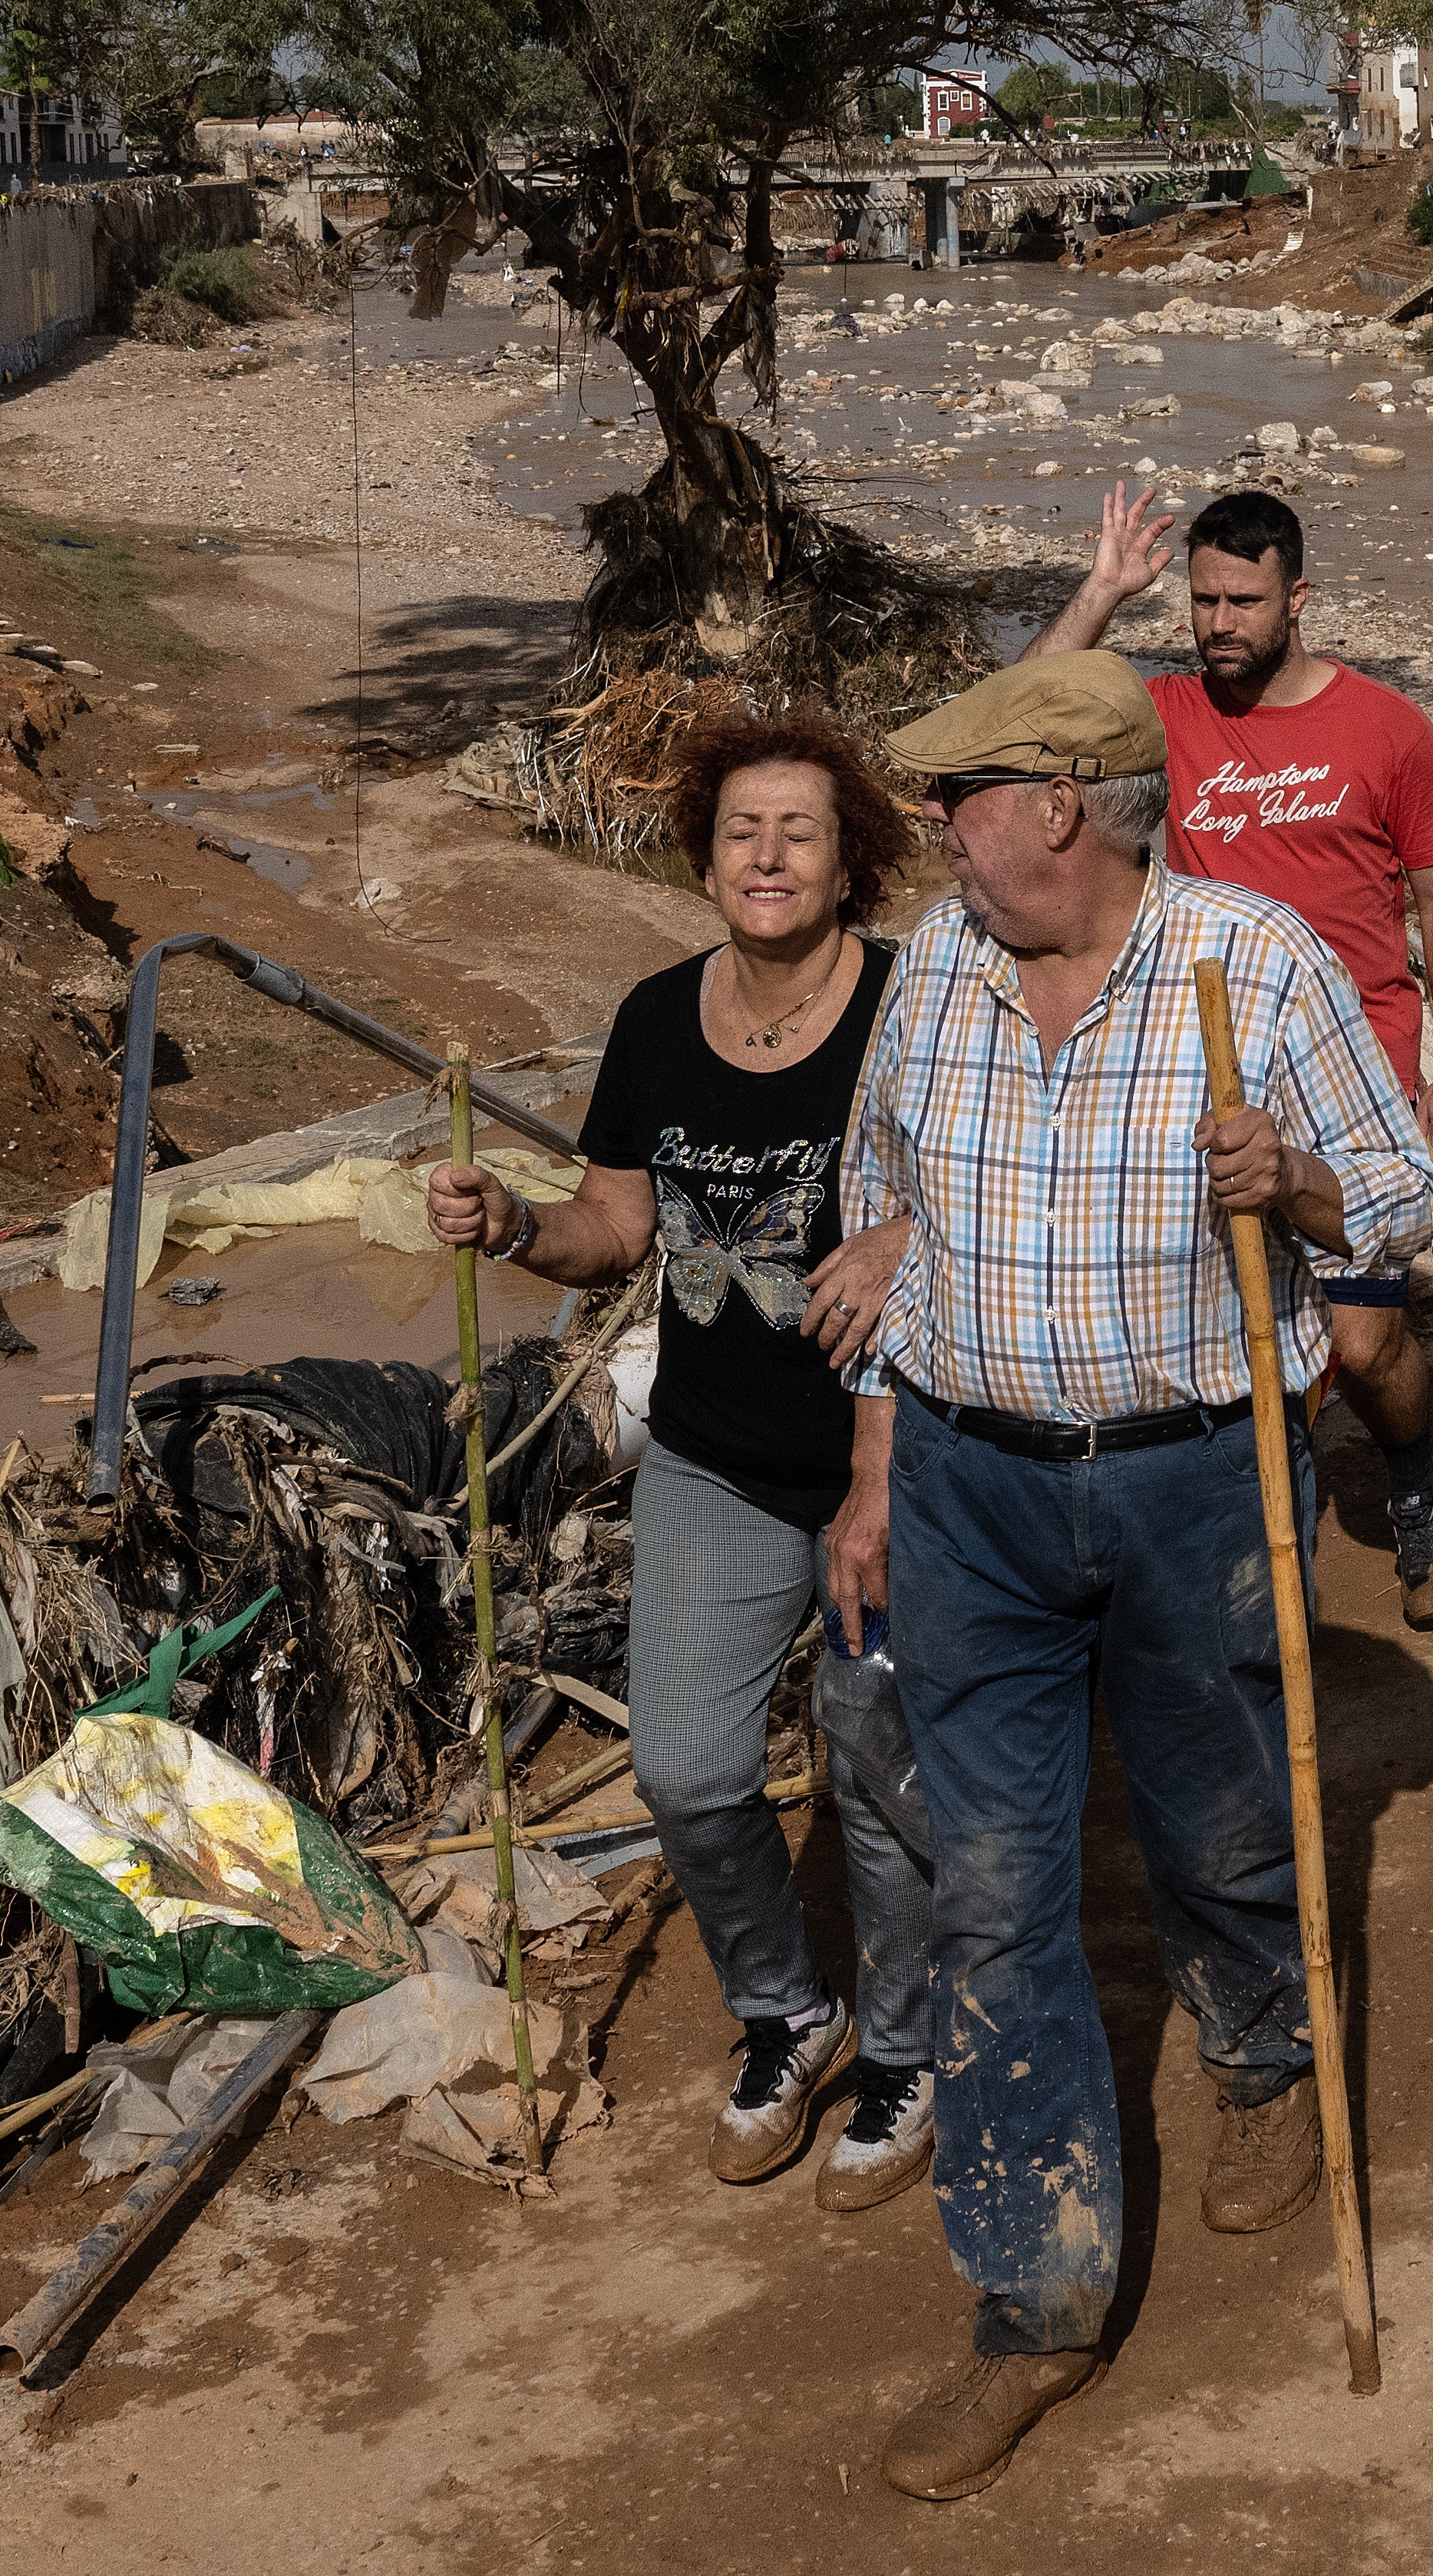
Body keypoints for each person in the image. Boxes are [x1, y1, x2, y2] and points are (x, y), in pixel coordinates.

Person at [838, 652, 1433, 2502]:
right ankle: (1032, 2297)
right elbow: (887, 1199)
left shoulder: (1252, 967)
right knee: (998, 1891)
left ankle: (1257, 2043)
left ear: (1065, 809)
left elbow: (1407, 1194)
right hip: (965, 1488)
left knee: (1225, 1817)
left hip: (1192, 1483)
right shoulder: (937, 963)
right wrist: (873, 1456)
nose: (938, 834)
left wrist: (1304, 1190)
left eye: (964, 800)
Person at [423, 713, 943, 2213]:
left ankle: (907, 2052)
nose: (766, 855)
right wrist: (519, 1226)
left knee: (876, 1779)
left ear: (851, 862)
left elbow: (982, 1186)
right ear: (704, 856)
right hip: (716, 1457)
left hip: (891, 1451)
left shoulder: (913, 1011)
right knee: (691, 1768)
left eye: (799, 831)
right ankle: (791, 2010)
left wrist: (909, 1229)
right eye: (739, 831)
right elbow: (616, 1228)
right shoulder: (656, 1018)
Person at [1045, 479, 1433, 1628]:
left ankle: (1413, 1473)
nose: (1218, 622)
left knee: (1363, 1328)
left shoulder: (1388, 728)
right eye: (1201, 600)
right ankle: (1227, 1563)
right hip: (1202, 1082)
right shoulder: (1166, 716)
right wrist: (1100, 591)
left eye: (1243, 598)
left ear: (1300, 596)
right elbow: (1025, 712)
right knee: (1211, 1324)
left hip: (1356, 1076)